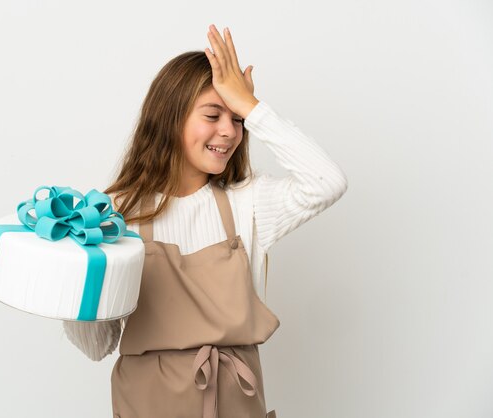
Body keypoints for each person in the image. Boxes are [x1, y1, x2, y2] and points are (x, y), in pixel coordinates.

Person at [63, 24, 348, 418]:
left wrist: (253, 106)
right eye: (213, 114)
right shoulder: (115, 214)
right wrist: (74, 274)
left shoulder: (247, 203)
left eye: (238, 120)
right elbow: (96, 346)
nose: (229, 132)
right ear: (169, 119)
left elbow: (327, 182)